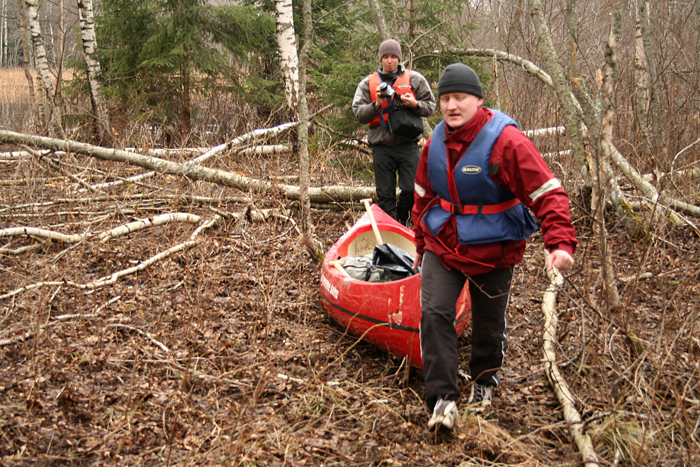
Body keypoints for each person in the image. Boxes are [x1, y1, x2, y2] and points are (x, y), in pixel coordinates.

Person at [411, 63, 578, 431]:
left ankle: (484, 381)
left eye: (460, 98)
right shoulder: (435, 142)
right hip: (444, 244)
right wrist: (420, 243)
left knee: (488, 324)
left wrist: (559, 241)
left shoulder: (506, 141)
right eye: (446, 98)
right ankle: (442, 399)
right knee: (435, 313)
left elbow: (547, 192)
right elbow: (422, 195)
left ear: (478, 99)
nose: (452, 106)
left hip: (494, 249)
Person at [352, 39, 436, 226]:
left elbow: (430, 106)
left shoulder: (414, 79)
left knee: (412, 189)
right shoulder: (368, 83)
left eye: (393, 57)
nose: (390, 61)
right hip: (382, 145)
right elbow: (359, 113)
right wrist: (376, 105)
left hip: (408, 144)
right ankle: (390, 229)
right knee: (385, 196)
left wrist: (415, 104)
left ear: (399, 58)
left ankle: (402, 219)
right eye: (386, 57)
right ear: (380, 59)